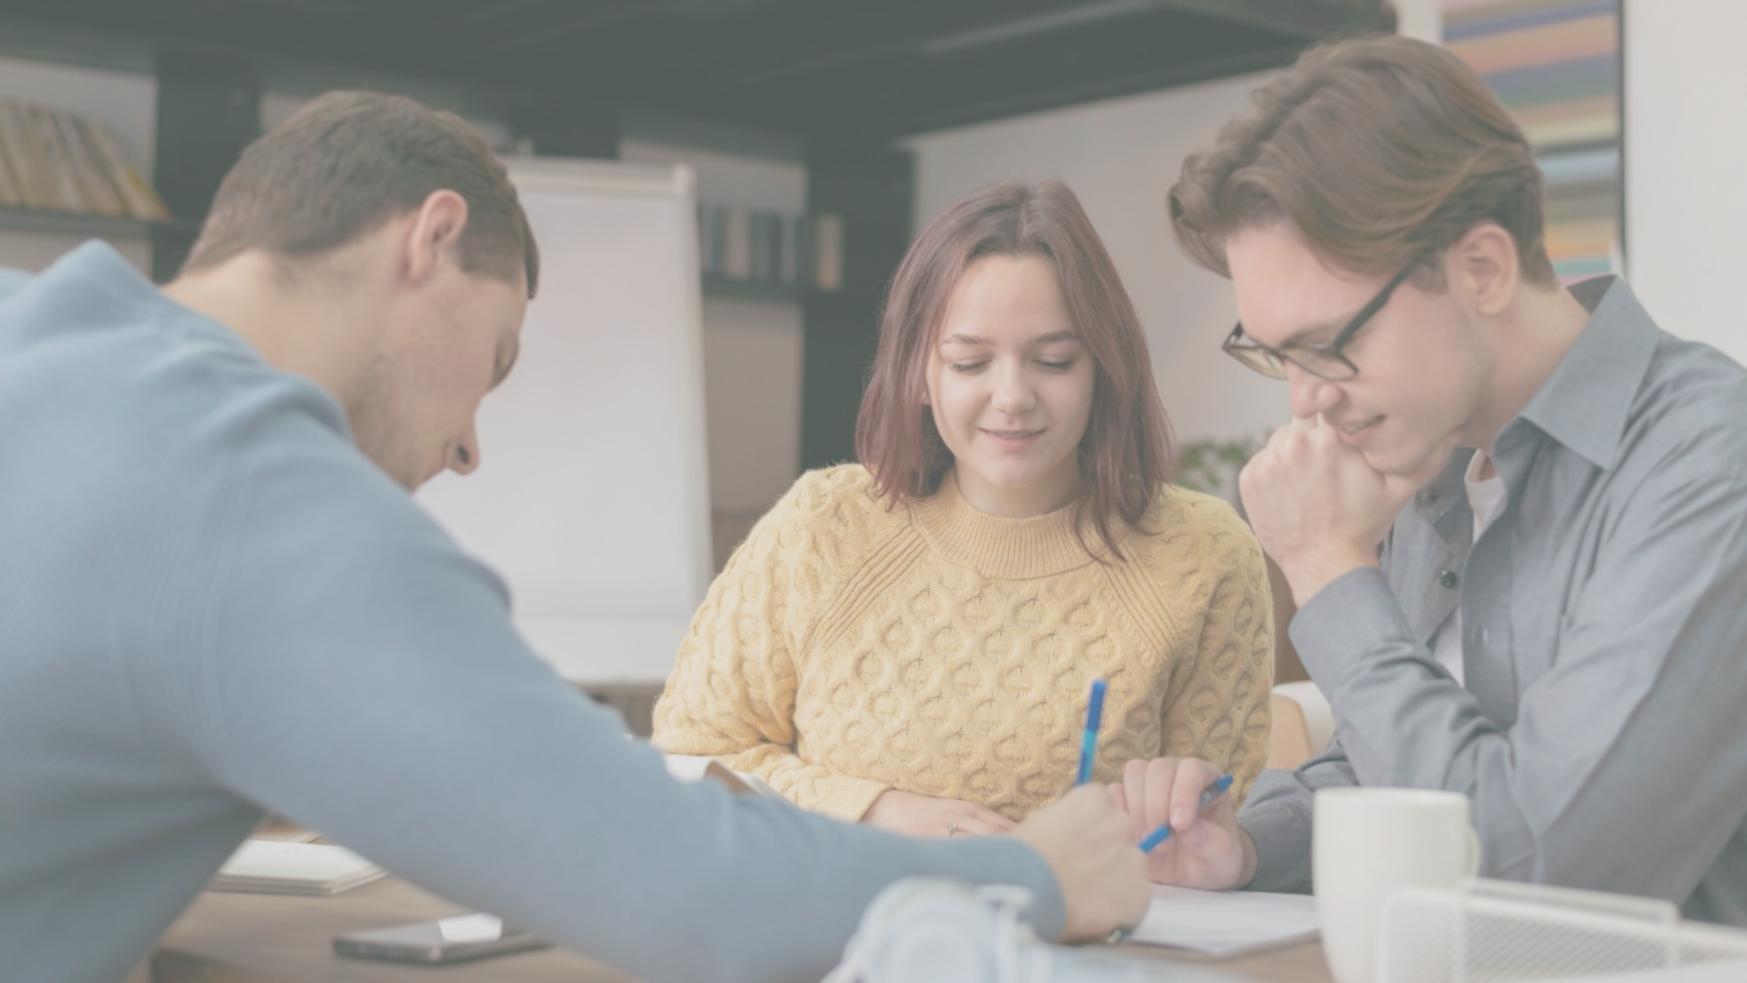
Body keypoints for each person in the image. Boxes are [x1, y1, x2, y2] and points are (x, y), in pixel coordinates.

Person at [0, 92, 1152, 983]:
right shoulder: (259, 494)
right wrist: (1032, 871)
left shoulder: (32, 327)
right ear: (431, 239)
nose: (468, 447)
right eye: (494, 361)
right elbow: (683, 886)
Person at [1118, 34, 1747, 924]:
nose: (1303, 399)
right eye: (1275, 353)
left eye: (1326, 344)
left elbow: (1541, 869)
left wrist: (1327, 567)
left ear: (1481, 269)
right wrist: (1252, 845)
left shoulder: (1706, 461)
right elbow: (1402, 762)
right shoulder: (1432, 451)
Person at [653, 179, 1275, 865]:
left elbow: (1219, 832)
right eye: (969, 362)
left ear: (1104, 367)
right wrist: (875, 811)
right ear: (918, 373)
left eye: (1054, 361)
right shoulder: (821, 527)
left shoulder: (1201, 553)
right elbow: (690, 758)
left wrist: (1173, 838)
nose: (1011, 397)